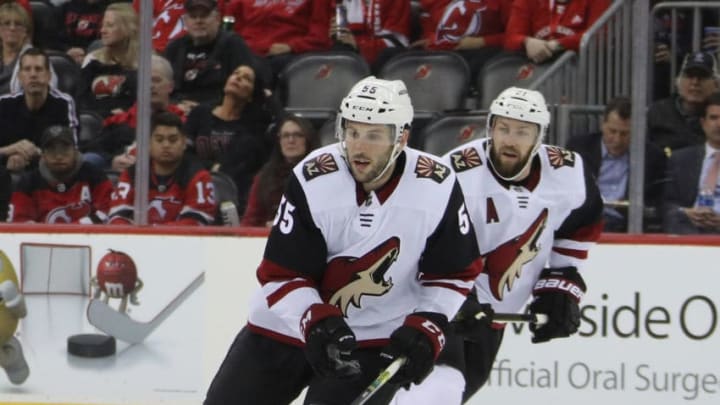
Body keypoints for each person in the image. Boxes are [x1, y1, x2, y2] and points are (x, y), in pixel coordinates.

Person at [204, 76, 483, 404]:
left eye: (374, 136)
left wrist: (428, 324)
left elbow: (453, 272)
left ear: (402, 138)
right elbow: (281, 273)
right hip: (283, 329)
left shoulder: (436, 186)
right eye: (352, 132)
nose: (359, 147)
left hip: (373, 339)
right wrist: (314, 319)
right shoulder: (314, 178)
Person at [393, 87, 604, 404]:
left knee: (463, 384)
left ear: (538, 137)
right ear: (490, 128)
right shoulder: (458, 172)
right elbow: (418, 240)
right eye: (503, 128)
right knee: (441, 384)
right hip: (435, 301)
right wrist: (455, 295)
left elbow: (582, 223)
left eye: (522, 132)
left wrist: (561, 284)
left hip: (493, 316)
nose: (510, 139)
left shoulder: (567, 173)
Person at [183, 63, 277, 213]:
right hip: (195, 183)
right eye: (235, 73)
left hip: (234, 193)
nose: (238, 77)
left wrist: (271, 99)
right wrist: (208, 169)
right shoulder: (200, 113)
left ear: (252, 94)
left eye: (246, 78)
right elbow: (185, 153)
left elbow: (243, 166)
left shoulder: (254, 127)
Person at [566, 96, 667, 232]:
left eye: (625, 134)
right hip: (585, 222)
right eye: (612, 131)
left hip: (628, 227)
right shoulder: (580, 148)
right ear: (603, 124)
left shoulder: (652, 156)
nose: (617, 140)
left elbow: (655, 200)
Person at [108, 111, 217, 226]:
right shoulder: (132, 174)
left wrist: (154, 234)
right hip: (138, 242)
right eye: (159, 140)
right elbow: (118, 216)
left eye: (173, 140)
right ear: (149, 144)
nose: (166, 145)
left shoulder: (198, 176)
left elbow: (195, 222)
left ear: (184, 143)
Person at [84, 54, 184, 171]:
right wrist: (112, 160)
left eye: (156, 80)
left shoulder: (182, 121)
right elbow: (93, 149)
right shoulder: (119, 122)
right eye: (145, 80)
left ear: (170, 86)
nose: (151, 86)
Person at [8, 125, 112, 224]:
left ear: (75, 151)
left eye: (64, 149)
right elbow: (19, 221)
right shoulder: (29, 182)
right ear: (43, 154)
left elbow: (107, 211)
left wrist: (72, 229)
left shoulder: (94, 175)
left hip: (88, 239)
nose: (58, 156)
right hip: (42, 241)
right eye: (52, 150)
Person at [164, 0, 256, 111]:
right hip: (177, 110)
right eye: (193, 17)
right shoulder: (175, 47)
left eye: (204, 16)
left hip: (217, 112)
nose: (198, 21)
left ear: (217, 19)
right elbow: (164, 87)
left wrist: (204, 109)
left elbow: (243, 89)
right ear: (186, 21)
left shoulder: (233, 45)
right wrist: (174, 106)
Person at [0, 48, 79, 173]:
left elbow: (73, 151)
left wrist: (37, 153)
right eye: (27, 69)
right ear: (20, 76)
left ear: (48, 76)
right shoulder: (4, 103)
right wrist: (10, 150)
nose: (33, 75)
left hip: (49, 173)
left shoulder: (64, 103)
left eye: (38, 69)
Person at [227, 0, 333, 86]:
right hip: (246, 51)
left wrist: (291, 46)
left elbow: (320, 38)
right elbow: (228, 20)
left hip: (283, 58)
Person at [241, 114, 319, 227]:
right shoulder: (265, 176)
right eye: (286, 135)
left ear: (308, 139)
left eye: (297, 135)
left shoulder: (322, 174)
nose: (291, 140)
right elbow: (250, 220)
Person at [662, 92, 720, 235]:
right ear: (703, 123)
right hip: (688, 236)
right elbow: (665, 205)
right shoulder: (681, 159)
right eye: (713, 118)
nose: (719, 124)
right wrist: (685, 212)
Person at [413, 0, 513, 79]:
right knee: (407, 59)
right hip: (439, 50)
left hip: (475, 54)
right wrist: (428, 37)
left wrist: (481, 41)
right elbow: (431, 21)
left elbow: (514, 37)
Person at [648, 51, 720, 155]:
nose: (695, 82)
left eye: (702, 76)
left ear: (716, 85)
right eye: (689, 76)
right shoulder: (656, 112)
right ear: (678, 81)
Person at [78, 2, 139, 118]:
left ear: (127, 28)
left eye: (110, 25)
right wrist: (108, 114)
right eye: (103, 25)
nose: (103, 31)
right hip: (95, 123)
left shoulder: (146, 62)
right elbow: (81, 100)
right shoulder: (92, 59)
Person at [503, 0, 611, 64]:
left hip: (580, 62)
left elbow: (598, 35)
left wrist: (558, 44)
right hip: (536, 62)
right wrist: (526, 42)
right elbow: (511, 38)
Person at [330, 0, 410, 71]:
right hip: (359, 50)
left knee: (387, 54)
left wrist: (359, 44)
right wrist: (338, 33)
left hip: (388, 53)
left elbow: (396, 41)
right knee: (340, 49)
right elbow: (348, 33)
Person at [58, 0, 107, 65]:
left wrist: (85, 51)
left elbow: (107, 40)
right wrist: (67, 50)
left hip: (93, 53)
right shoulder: (64, 8)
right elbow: (52, 37)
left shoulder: (107, 10)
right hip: (64, 53)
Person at [0, 2, 33, 94]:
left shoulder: (36, 58)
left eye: (18, 24)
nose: (12, 28)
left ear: (25, 31)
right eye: (7, 23)